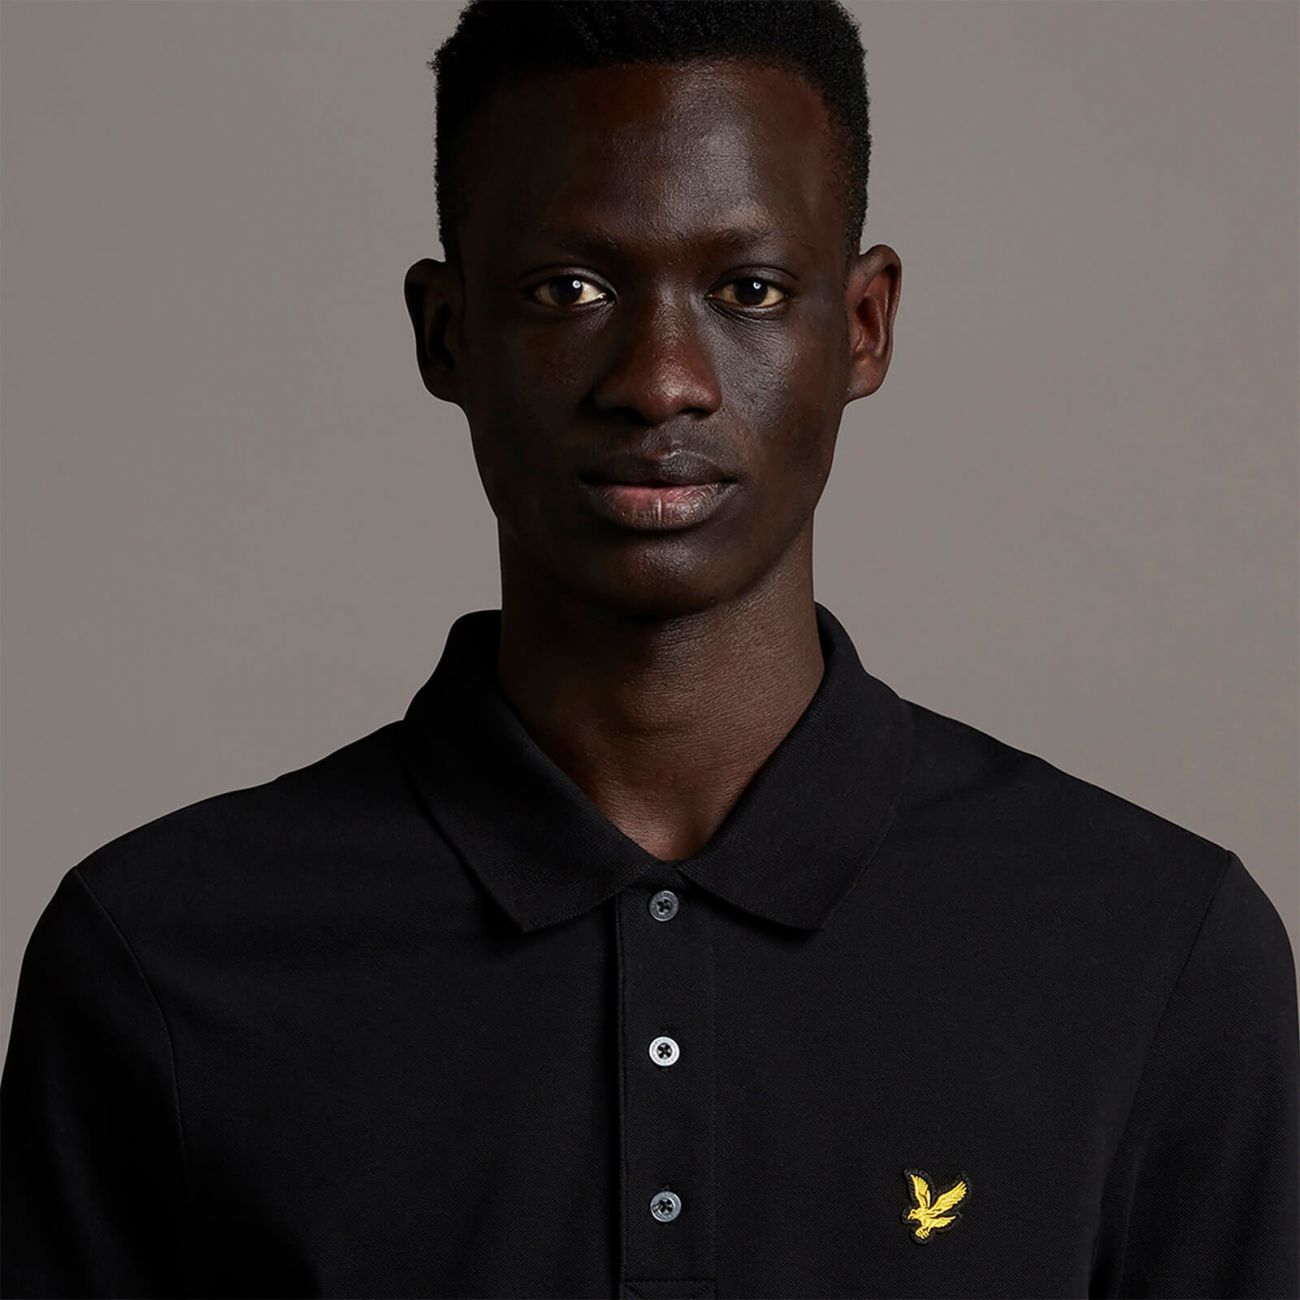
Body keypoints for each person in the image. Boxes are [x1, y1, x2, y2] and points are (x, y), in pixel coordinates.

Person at [3, 1, 1296, 1296]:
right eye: (568, 289)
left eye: (749, 291)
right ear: (447, 332)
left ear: (862, 325)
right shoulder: (160, 957)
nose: (660, 378)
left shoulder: (1154, 951)